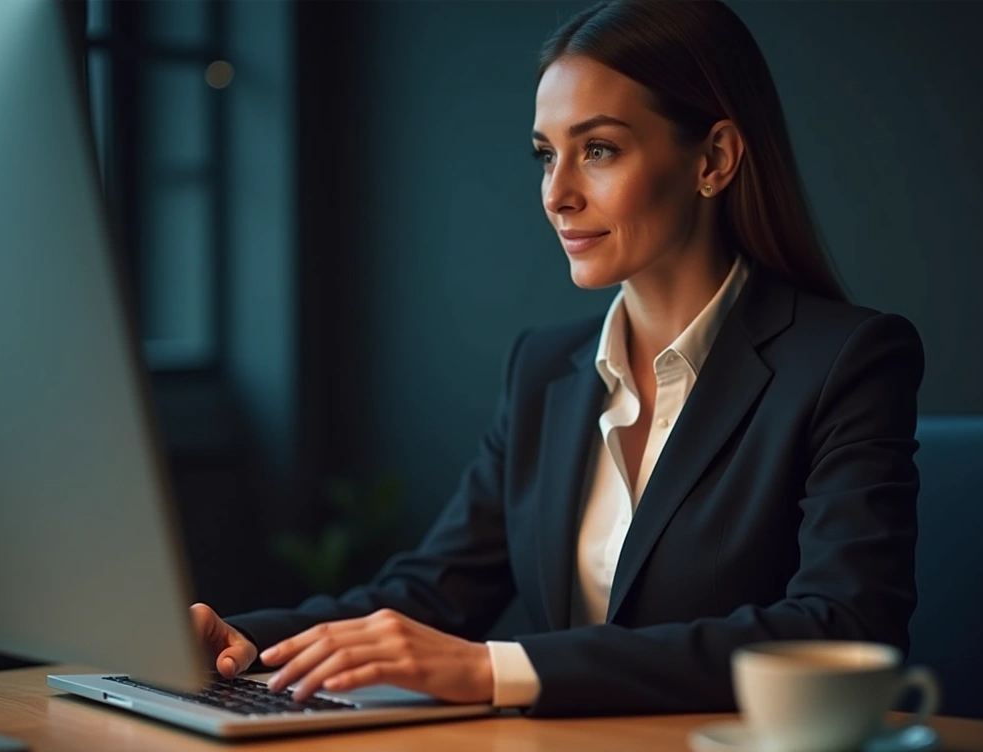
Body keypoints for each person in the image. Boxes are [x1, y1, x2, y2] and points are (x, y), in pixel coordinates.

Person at [189, 0, 924, 717]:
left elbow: (844, 625)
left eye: (597, 150)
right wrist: (247, 641)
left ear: (715, 158)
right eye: (547, 155)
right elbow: (432, 596)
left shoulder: (847, 361)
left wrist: (496, 667)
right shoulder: (544, 369)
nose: (558, 194)